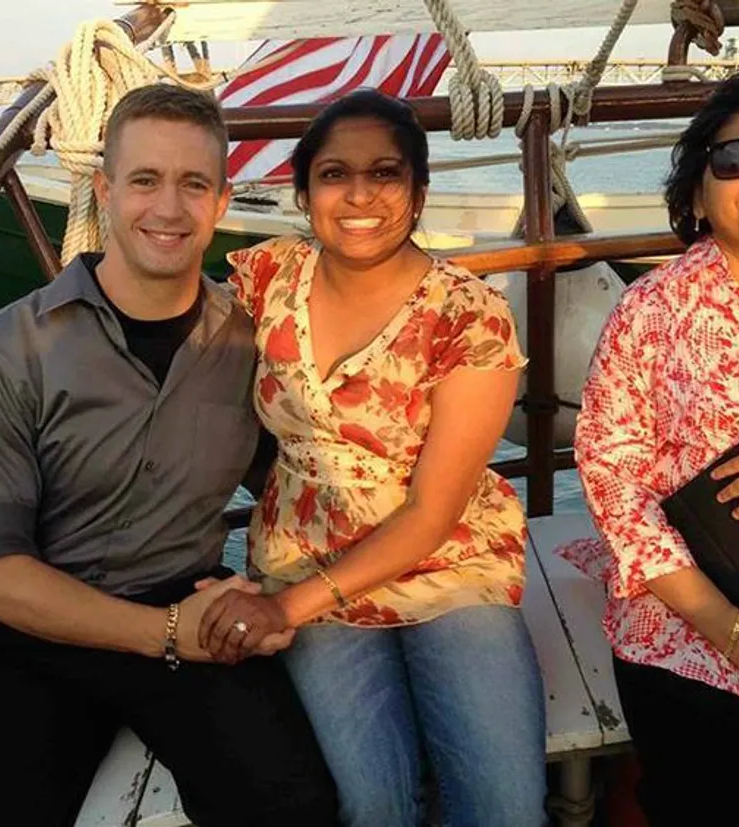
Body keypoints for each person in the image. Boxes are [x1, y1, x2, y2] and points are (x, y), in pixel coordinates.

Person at [0, 84, 338, 827]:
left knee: (293, 809)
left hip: (191, 599)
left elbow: (303, 477)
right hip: (37, 630)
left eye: (193, 184)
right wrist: (169, 633)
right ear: (105, 190)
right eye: (145, 180)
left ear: (221, 200)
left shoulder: (252, 343)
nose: (168, 208)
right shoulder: (9, 347)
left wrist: (278, 600)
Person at [196, 89, 547, 827]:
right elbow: (181, 349)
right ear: (304, 193)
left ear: (418, 191)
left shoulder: (468, 315)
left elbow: (432, 514)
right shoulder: (267, 279)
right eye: (335, 174)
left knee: (506, 808)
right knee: (374, 803)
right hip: (301, 554)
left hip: (448, 565)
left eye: (385, 173)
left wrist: (280, 609)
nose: (360, 195)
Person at [559, 70, 739, 825]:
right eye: (738, 157)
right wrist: (729, 628)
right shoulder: (650, 310)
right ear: (699, 190)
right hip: (685, 614)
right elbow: (611, 474)